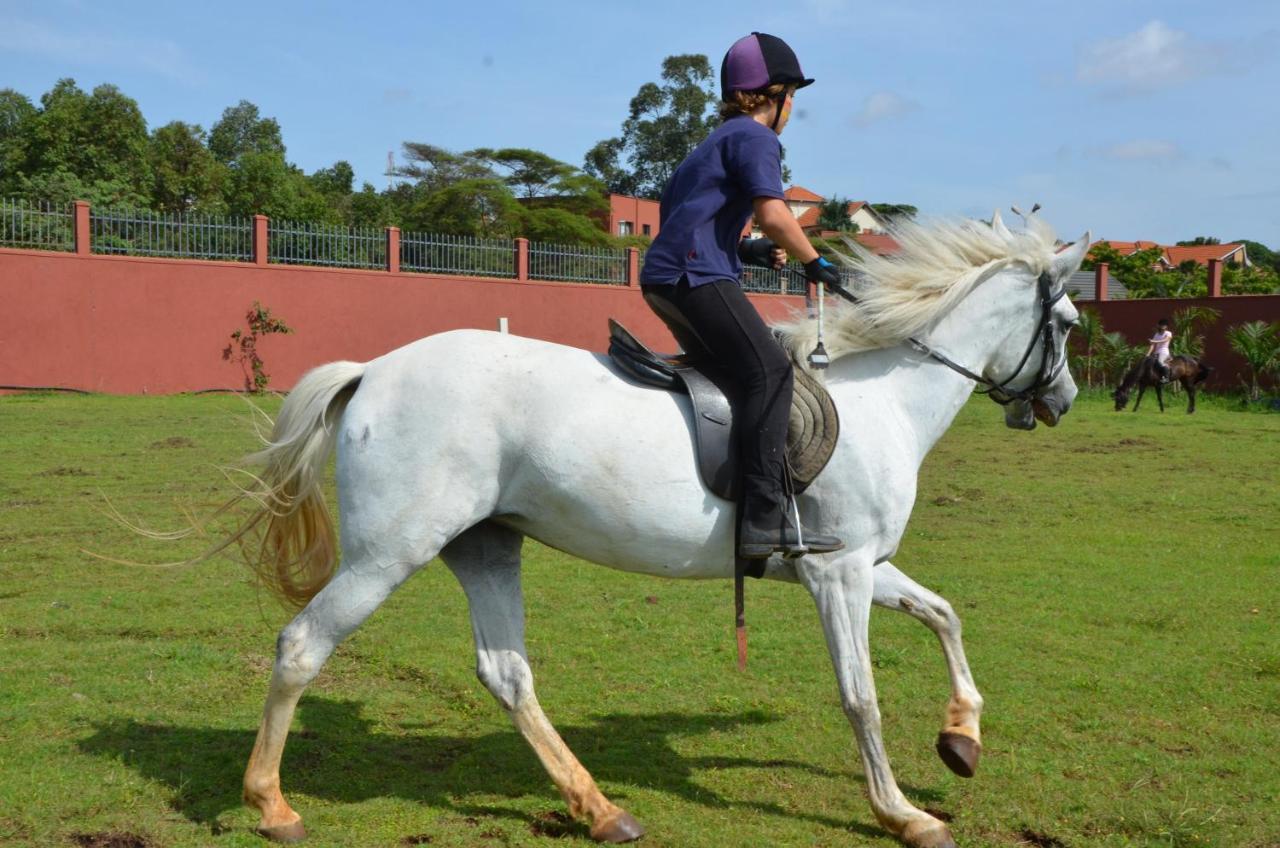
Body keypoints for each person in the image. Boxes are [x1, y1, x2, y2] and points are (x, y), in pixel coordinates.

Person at [639, 32, 844, 559]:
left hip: (667, 277)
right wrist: (813, 261)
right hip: (695, 276)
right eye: (792, 95)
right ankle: (762, 519)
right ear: (772, 95)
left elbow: (695, 220)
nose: (793, 107)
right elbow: (776, 213)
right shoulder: (756, 139)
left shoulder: (713, 141)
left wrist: (748, 251)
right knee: (771, 373)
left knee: (737, 372)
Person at [1146, 318, 1173, 382]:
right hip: (1156, 352)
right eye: (1162, 325)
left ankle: (1166, 378)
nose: (1163, 326)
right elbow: (1152, 345)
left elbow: (1165, 340)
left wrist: (1154, 341)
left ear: (1166, 326)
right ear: (1159, 325)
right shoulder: (1156, 334)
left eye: (1165, 325)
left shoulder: (1168, 333)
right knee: (1149, 362)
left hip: (1164, 351)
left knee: (1160, 362)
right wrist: (1147, 354)